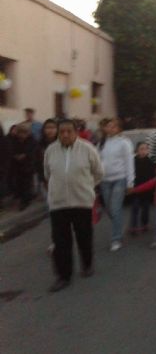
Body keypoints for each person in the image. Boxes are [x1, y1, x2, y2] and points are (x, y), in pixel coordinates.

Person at [43, 119, 104, 292]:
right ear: (58, 133)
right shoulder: (50, 151)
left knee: (84, 236)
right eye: (62, 131)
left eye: (69, 131)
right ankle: (63, 276)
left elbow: (99, 172)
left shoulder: (87, 149)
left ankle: (87, 264)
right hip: (58, 203)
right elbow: (47, 174)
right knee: (61, 241)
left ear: (75, 132)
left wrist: (86, 187)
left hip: (82, 202)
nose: (65, 134)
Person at [99, 118, 135, 252]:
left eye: (114, 126)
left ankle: (116, 238)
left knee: (115, 208)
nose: (111, 128)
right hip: (104, 180)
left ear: (119, 128)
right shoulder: (102, 142)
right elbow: (98, 160)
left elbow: (129, 162)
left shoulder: (124, 143)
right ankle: (119, 225)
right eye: (108, 126)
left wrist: (130, 181)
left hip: (119, 179)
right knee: (109, 209)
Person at [10, 123, 37, 210]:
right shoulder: (15, 140)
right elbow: (11, 149)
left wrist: (25, 155)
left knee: (27, 184)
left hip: (28, 166)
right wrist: (15, 156)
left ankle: (25, 201)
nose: (22, 135)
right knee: (19, 183)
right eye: (20, 132)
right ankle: (24, 198)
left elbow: (33, 152)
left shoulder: (32, 140)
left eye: (24, 132)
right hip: (17, 166)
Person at [130, 142, 155, 235]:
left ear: (148, 150)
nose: (143, 151)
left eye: (145, 149)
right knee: (135, 208)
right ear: (137, 150)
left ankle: (145, 224)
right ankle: (134, 226)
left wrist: (152, 189)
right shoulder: (132, 161)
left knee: (145, 209)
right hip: (135, 189)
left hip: (146, 190)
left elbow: (153, 177)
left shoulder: (150, 162)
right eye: (141, 149)